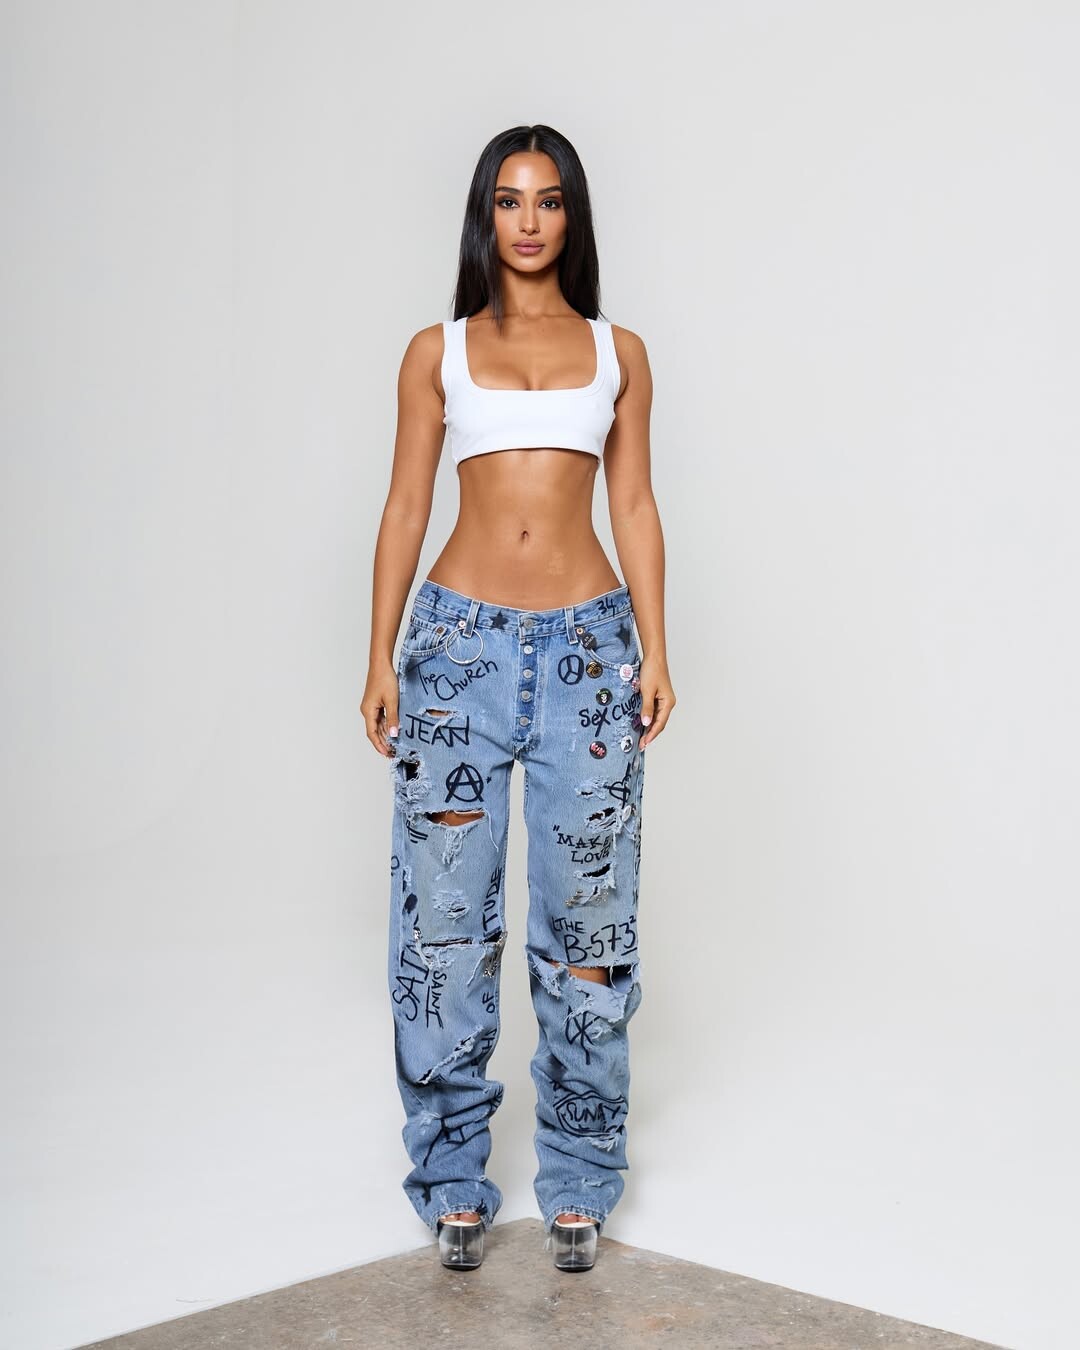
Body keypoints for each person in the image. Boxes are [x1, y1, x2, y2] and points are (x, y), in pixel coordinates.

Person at [361, 124, 675, 1273]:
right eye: (508, 200)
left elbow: (633, 504)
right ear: (483, 217)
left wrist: (656, 646)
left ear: (572, 216)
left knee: (589, 928)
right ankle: (452, 1178)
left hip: (589, 651)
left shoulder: (618, 352)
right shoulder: (436, 350)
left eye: (547, 200)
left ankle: (581, 1177)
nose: (529, 221)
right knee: (443, 930)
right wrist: (380, 654)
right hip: (458, 653)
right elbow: (406, 505)